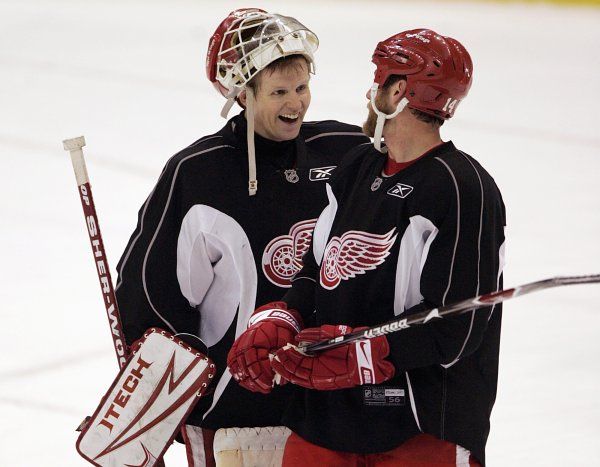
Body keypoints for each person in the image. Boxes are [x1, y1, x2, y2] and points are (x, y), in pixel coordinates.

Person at [228, 29, 506, 466]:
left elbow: (461, 326)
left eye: (379, 81)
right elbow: (319, 266)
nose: (370, 92)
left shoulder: (461, 187)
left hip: (420, 426)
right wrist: (285, 314)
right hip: (326, 418)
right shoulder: (358, 165)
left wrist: (370, 353)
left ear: (398, 91)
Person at [114, 8, 369, 466]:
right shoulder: (199, 174)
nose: (296, 103)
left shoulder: (345, 149)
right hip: (234, 418)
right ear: (242, 94)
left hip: (330, 409)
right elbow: (150, 295)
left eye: (301, 87)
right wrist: (183, 391)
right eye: (278, 92)